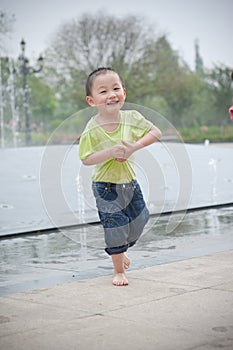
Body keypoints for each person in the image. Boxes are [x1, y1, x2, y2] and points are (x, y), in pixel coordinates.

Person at [79, 67, 162, 286]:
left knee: (141, 218)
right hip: (106, 187)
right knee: (115, 226)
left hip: (130, 184)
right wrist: (110, 153)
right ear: (91, 100)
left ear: (124, 92)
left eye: (116, 88)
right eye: (103, 91)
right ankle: (118, 270)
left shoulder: (132, 118)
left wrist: (134, 146)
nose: (112, 94)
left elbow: (156, 132)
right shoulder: (92, 128)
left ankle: (121, 250)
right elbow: (86, 158)